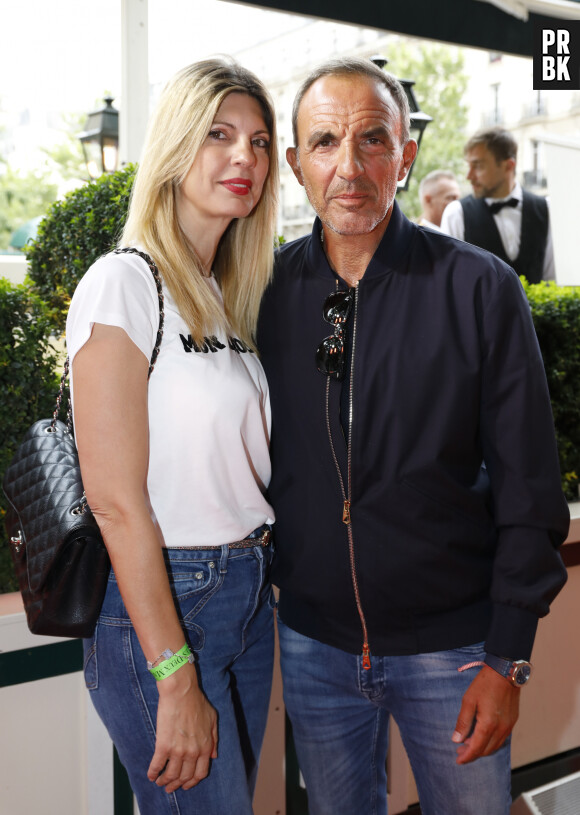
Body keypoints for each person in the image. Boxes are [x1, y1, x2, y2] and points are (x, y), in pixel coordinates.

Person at [257, 57, 569, 815]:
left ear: (406, 154)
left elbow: (531, 485)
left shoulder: (479, 289)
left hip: (456, 653)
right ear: (297, 165)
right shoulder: (265, 295)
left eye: (373, 140)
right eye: (325, 142)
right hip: (313, 646)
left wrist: (508, 655)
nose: (350, 166)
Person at [66, 58, 279, 815]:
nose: (244, 157)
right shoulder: (124, 283)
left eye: (259, 141)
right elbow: (116, 500)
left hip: (248, 595)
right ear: (175, 144)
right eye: (219, 134)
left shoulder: (230, 294)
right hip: (166, 603)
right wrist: (175, 672)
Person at [440, 126, 555, 282]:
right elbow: (450, 282)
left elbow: (552, 280)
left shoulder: (546, 209)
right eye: (469, 166)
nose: (469, 176)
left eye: (478, 166)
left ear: (508, 165)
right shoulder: (456, 213)